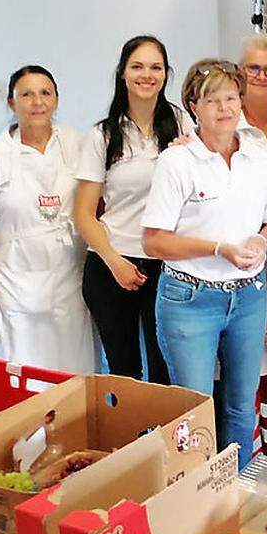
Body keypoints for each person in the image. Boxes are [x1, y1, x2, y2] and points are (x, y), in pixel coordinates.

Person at [142, 59, 267, 469]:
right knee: (194, 411)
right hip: (190, 298)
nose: (224, 107)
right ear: (193, 106)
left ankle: (234, 489)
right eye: (212, 100)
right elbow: (154, 241)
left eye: (231, 98)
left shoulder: (257, 156)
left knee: (241, 404)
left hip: (248, 298)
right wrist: (218, 248)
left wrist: (262, 239)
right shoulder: (178, 162)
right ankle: (194, 497)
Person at [74, 36, 193, 383]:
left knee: (165, 370)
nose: (147, 75)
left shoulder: (182, 125)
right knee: (123, 371)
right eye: (137, 66)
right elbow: (83, 213)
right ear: (122, 73)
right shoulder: (103, 135)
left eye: (155, 67)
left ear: (166, 74)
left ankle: (161, 439)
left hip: (167, 265)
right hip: (112, 265)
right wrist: (115, 261)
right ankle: (126, 438)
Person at [0, 66, 95, 373]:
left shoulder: (77, 144)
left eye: (45, 93)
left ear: (57, 100)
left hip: (68, 279)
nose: (37, 101)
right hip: (14, 286)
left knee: (71, 371)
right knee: (22, 374)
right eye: (26, 94)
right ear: (11, 103)